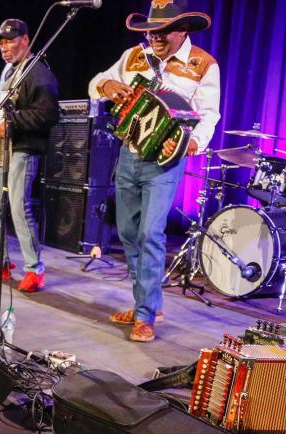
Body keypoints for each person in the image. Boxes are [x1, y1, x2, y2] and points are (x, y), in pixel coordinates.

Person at [88, 0, 220, 342]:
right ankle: (145, 301)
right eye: (151, 30)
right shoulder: (134, 56)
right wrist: (107, 87)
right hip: (130, 155)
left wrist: (190, 144)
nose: (156, 37)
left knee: (150, 233)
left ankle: (145, 314)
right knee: (128, 233)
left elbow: (209, 115)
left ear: (183, 30)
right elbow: (97, 81)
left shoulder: (203, 65)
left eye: (164, 30)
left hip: (165, 161)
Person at [0, 19, 59, 294]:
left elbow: (48, 114)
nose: (4, 47)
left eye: (10, 40)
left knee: (20, 207)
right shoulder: (10, 71)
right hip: (1, 147)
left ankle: (35, 270)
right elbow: (7, 108)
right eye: (0, 42)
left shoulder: (37, 72)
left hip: (23, 148)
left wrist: (14, 121)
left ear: (25, 40)